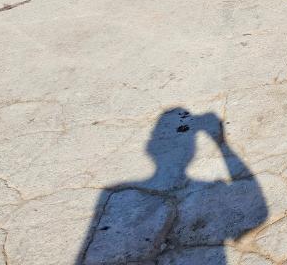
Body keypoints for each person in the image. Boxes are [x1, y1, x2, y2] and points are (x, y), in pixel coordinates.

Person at [76, 109, 266, 264]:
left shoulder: (114, 195)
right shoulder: (115, 196)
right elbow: (259, 213)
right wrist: (220, 143)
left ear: (150, 146)